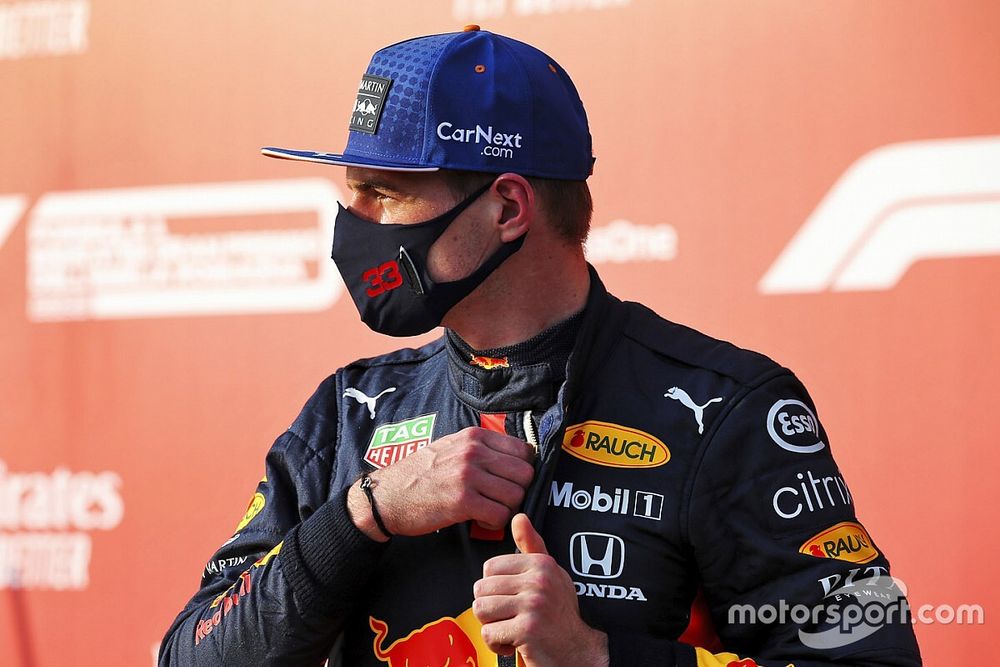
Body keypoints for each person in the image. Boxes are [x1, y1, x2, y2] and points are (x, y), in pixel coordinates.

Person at [159, 26, 922, 667]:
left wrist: (599, 656)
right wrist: (365, 512)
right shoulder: (351, 412)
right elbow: (188, 656)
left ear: (507, 208)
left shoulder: (725, 411)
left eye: (384, 192)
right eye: (351, 189)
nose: (353, 219)